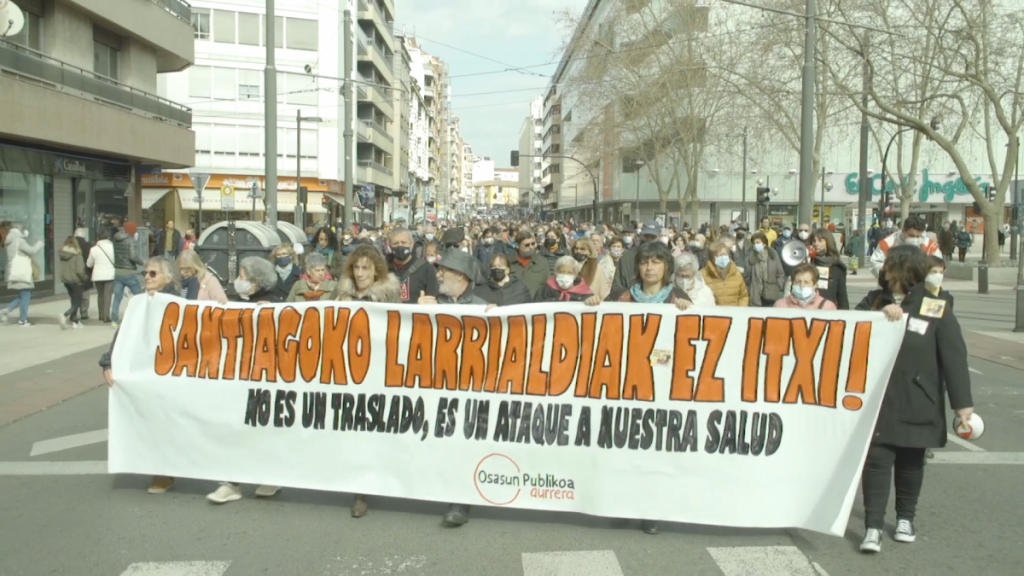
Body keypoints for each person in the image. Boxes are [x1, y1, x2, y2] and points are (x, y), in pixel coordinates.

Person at [855, 245, 974, 553]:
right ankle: (873, 526)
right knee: (877, 461)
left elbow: (954, 356)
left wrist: (963, 407)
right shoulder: (873, 301)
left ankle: (905, 518)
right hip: (879, 399)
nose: (885, 272)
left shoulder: (935, 305)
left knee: (910, 461)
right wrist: (879, 316)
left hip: (919, 398)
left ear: (903, 271)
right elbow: (850, 331)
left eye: (890, 268)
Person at [584, 241, 690, 536]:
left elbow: (689, 344)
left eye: (656, 262)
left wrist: (688, 312)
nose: (650, 268)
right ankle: (624, 504)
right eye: (645, 262)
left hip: (662, 388)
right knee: (626, 447)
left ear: (667, 267)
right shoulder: (622, 297)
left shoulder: (678, 299)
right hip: (626, 383)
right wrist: (594, 305)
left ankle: (651, 510)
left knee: (654, 451)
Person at [99, 256, 180, 494]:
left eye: (153, 274)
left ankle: (171, 470)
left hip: (169, 374)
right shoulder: (137, 303)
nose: (147, 277)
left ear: (168, 277)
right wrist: (108, 363)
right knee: (149, 422)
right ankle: (162, 472)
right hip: (144, 373)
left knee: (168, 422)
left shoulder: (178, 303)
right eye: (145, 273)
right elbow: (122, 335)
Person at [207, 257, 282, 505]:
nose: (238, 280)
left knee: (264, 428)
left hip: (267, 378)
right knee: (237, 428)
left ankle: (270, 475)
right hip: (240, 376)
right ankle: (233, 482)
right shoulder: (239, 302)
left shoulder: (274, 303)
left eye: (242, 274)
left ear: (256, 281)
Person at [871, 216, 942, 277]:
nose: (915, 239)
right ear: (903, 231)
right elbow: (875, 265)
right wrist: (894, 273)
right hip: (893, 286)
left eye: (918, 236)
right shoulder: (887, 243)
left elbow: (939, 265)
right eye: (911, 235)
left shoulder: (930, 246)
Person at [110, 222, 146, 329]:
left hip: (118, 271)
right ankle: (141, 317)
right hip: (129, 272)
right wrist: (142, 262)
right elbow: (133, 256)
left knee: (117, 297)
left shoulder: (115, 239)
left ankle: (114, 321)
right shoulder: (131, 240)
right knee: (140, 296)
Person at [612, 221, 662, 292]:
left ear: (659, 237)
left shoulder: (664, 258)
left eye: (653, 237)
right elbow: (617, 285)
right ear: (641, 235)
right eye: (646, 236)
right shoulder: (626, 257)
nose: (649, 239)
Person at [810, 228, 850, 310]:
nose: (816, 244)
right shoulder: (808, 263)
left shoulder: (838, 267)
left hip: (828, 310)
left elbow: (842, 297)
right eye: (814, 241)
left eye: (820, 241)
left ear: (828, 242)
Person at [744, 232, 786, 307]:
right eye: (753, 243)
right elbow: (746, 278)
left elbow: (780, 274)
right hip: (755, 296)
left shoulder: (773, 256)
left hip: (771, 295)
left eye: (758, 242)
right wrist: (750, 291)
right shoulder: (749, 259)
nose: (755, 245)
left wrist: (778, 286)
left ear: (764, 243)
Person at [702, 240, 749, 306]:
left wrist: (740, 311)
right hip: (714, 315)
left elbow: (743, 296)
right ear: (712, 258)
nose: (722, 258)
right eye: (718, 255)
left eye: (724, 255)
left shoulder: (736, 273)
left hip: (734, 314)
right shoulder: (703, 275)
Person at [773, 263, 838, 310]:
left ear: (815, 285)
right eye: (798, 281)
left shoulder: (828, 306)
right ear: (792, 283)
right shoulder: (780, 305)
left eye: (806, 282)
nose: (802, 285)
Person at [57, 236, 89, 329]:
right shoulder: (77, 255)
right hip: (76, 281)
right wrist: (85, 278)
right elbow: (80, 270)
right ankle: (65, 315)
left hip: (66, 280)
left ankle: (75, 321)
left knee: (73, 301)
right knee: (78, 302)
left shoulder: (63, 254)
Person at [86, 230, 117, 324]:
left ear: (98, 238)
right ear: (108, 237)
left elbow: (89, 264)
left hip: (98, 275)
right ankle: (106, 316)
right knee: (107, 296)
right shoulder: (113, 247)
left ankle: (101, 314)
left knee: (100, 295)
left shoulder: (93, 249)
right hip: (110, 275)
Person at [508, 230, 549, 298]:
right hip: (515, 304)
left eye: (533, 244)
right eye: (527, 245)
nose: (531, 247)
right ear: (517, 246)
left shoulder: (542, 261)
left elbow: (548, 285)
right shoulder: (508, 262)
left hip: (536, 304)